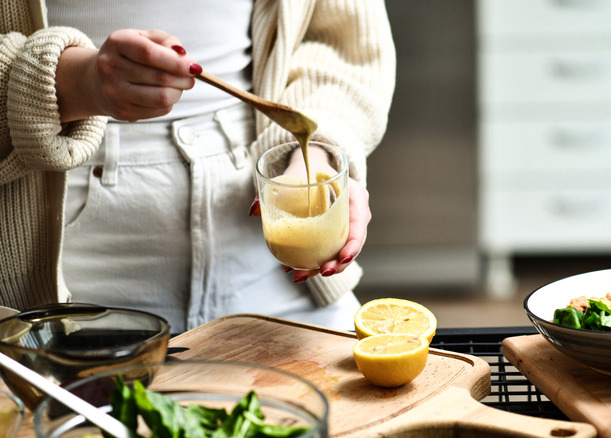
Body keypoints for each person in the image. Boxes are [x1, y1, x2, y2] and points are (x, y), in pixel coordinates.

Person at [0, 0, 396, 334]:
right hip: (54, 252)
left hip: (262, 237)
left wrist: (316, 157)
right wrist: (70, 83)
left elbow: (340, 43)